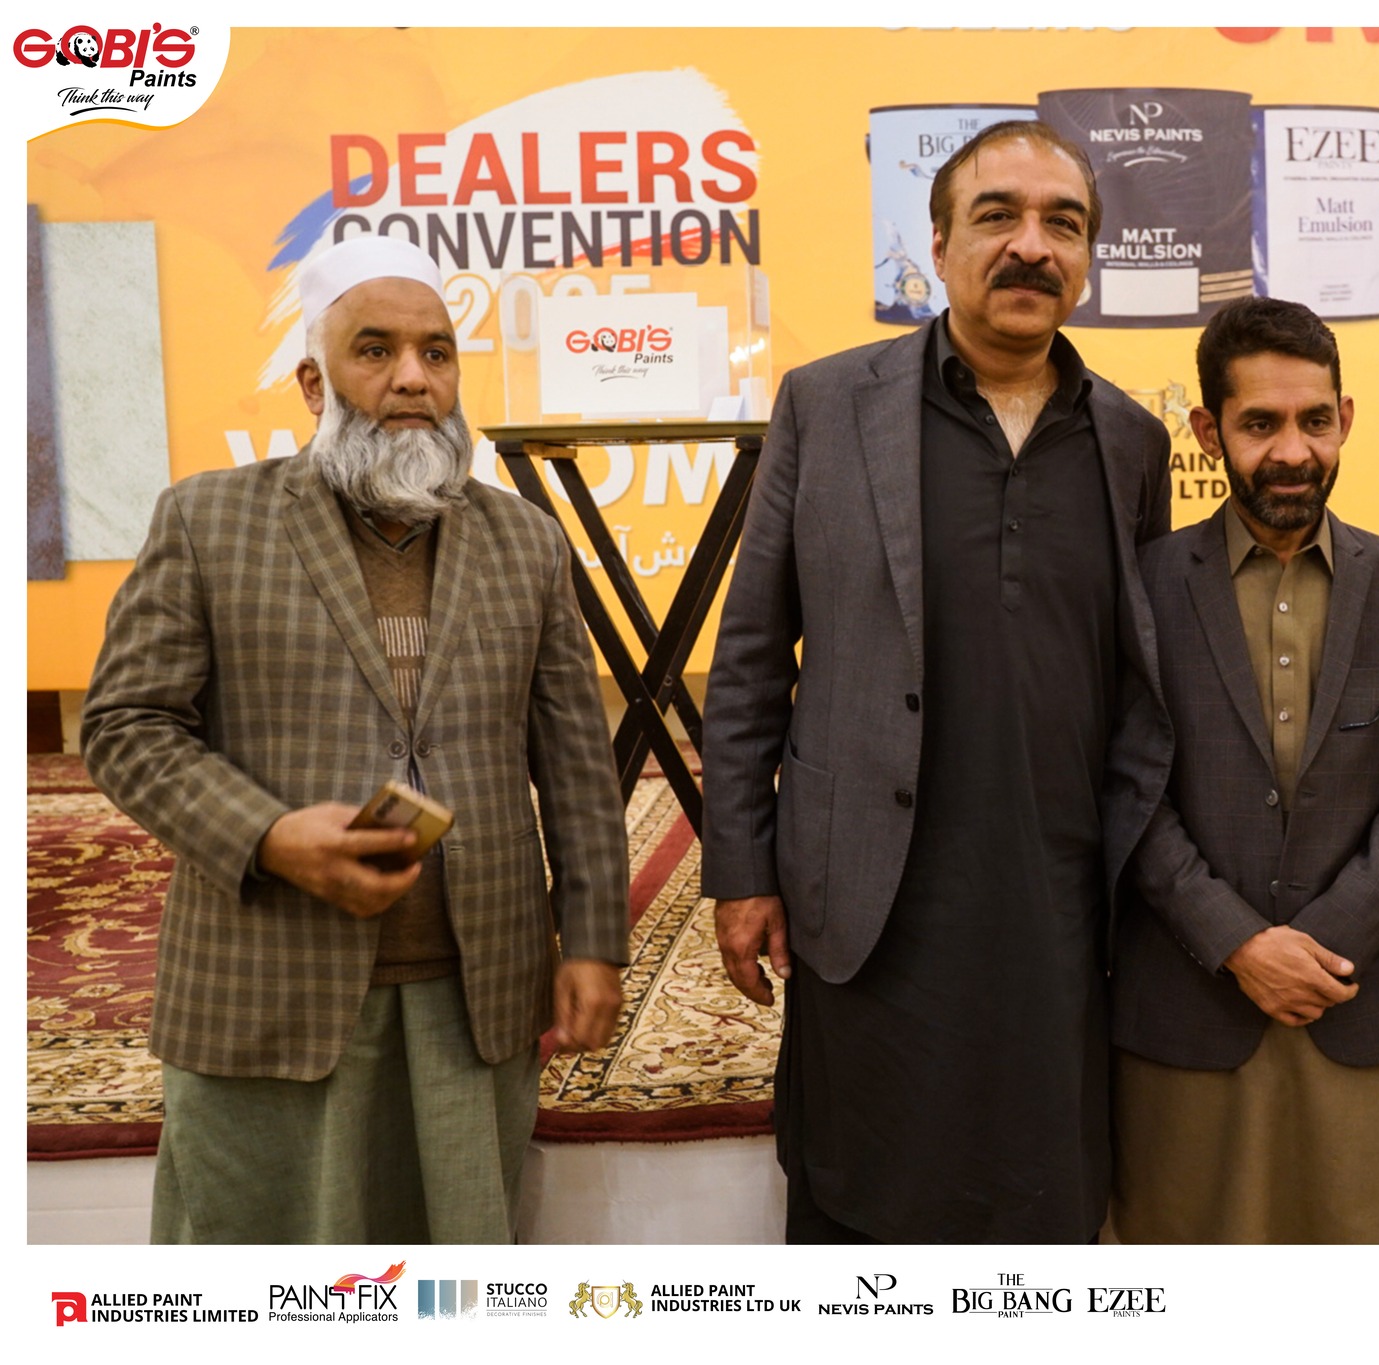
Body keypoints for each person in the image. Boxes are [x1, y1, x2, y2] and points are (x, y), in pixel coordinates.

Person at [81, 234, 629, 1244]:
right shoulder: (210, 520)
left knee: (452, 1277)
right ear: (312, 381)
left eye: (435, 352)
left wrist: (593, 941)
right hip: (268, 984)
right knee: (261, 1273)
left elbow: (575, 768)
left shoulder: (525, 541)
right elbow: (124, 723)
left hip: (474, 994)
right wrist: (269, 835)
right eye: (375, 350)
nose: (413, 378)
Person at [700, 120, 1171, 1244]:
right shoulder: (826, 406)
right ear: (940, 246)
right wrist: (742, 868)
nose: (1031, 246)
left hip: (1056, 896)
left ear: (1087, 258)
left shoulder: (1130, 441)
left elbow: (1150, 668)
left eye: (1063, 224)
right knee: (863, 1185)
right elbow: (753, 652)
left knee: (1039, 1188)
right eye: (997, 216)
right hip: (873, 890)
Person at [1110, 298, 1379, 1244]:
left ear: (1344, 417)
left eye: (1315, 420)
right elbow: (1127, 786)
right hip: (1195, 1005)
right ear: (1208, 431)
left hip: (1373, 996)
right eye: (1260, 424)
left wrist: (1325, 941)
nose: (1293, 451)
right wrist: (1237, 941)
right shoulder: (1143, 586)